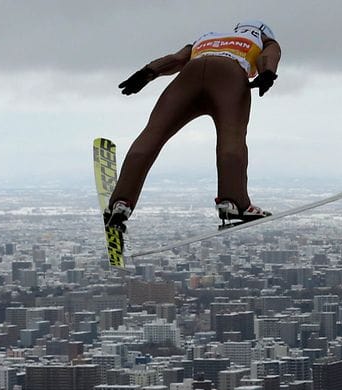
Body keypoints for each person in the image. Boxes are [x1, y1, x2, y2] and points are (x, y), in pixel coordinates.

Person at [104, 20, 281, 233]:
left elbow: (176, 59)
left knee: (153, 133)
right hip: (229, 76)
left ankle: (121, 203)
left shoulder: (208, 37)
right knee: (231, 138)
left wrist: (148, 72)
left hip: (189, 75)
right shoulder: (264, 40)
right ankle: (233, 202)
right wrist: (267, 73)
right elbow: (268, 56)